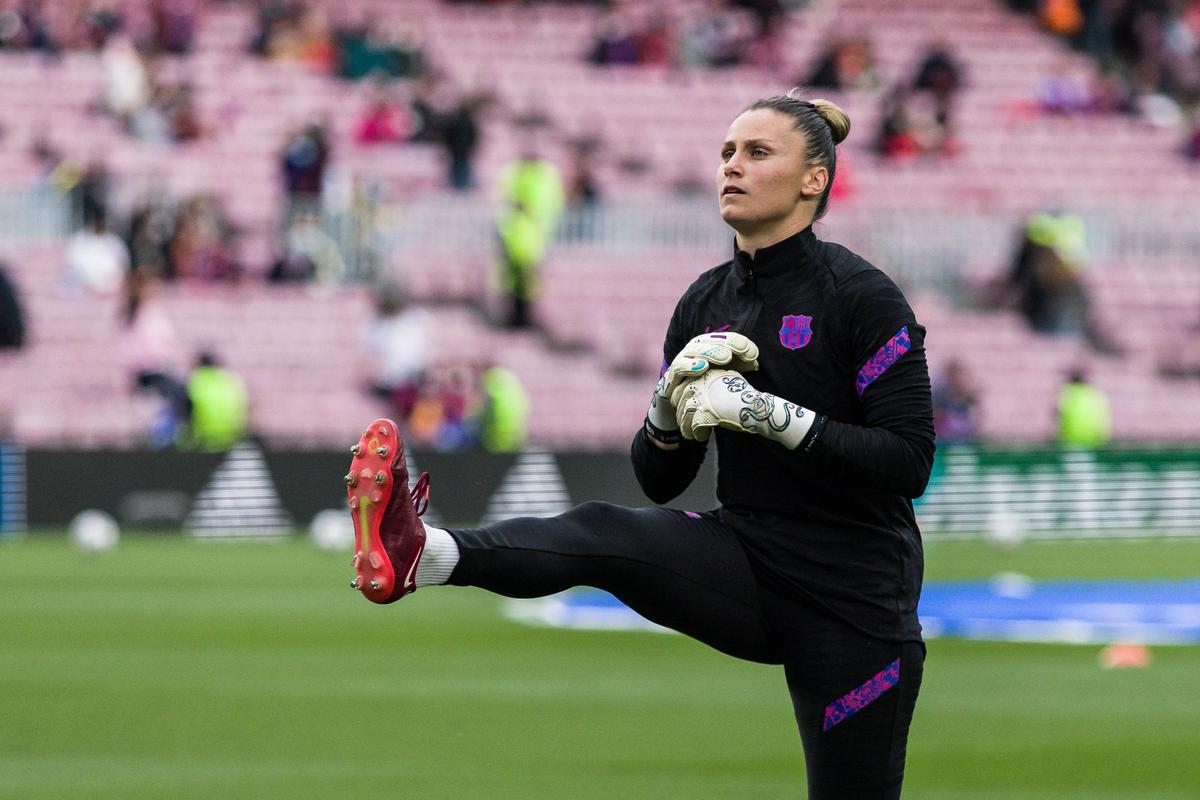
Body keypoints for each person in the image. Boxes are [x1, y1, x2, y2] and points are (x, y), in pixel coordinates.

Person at [343, 91, 934, 799]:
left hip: (856, 595)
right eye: (726, 153)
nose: (731, 167)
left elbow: (908, 460)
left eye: (756, 152)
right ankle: (424, 553)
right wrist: (664, 416)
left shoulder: (862, 295)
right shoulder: (704, 303)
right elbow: (658, 479)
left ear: (814, 179)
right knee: (603, 530)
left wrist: (768, 414)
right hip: (748, 559)